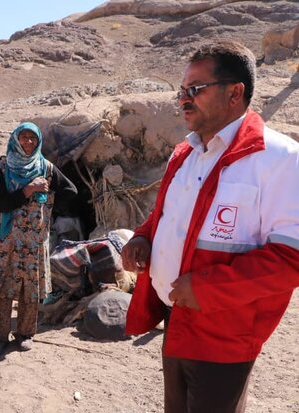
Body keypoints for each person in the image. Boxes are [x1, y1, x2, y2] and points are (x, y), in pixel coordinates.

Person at [122, 41, 299, 413]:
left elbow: (290, 259)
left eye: (196, 89)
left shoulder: (280, 159)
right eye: (182, 91)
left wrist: (206, 290)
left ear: (235, 93)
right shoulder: (184, 153)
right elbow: (171, 215)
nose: (184, 99)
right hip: (177, 319)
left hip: (224, 333)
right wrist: (143, 236)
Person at [0, 122, 77, 356]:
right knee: (2, 286)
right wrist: (28, 191)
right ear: (15, 140)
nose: (28, 142)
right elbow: (0, 203)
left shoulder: (46, 168)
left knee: (30, 286)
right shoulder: (4, 167)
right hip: (7, 239)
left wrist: (48, 202)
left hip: (34, 240)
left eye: (32, 138)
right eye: (23, 137)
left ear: (38, 141)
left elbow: (71, 192)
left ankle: (25, 334)